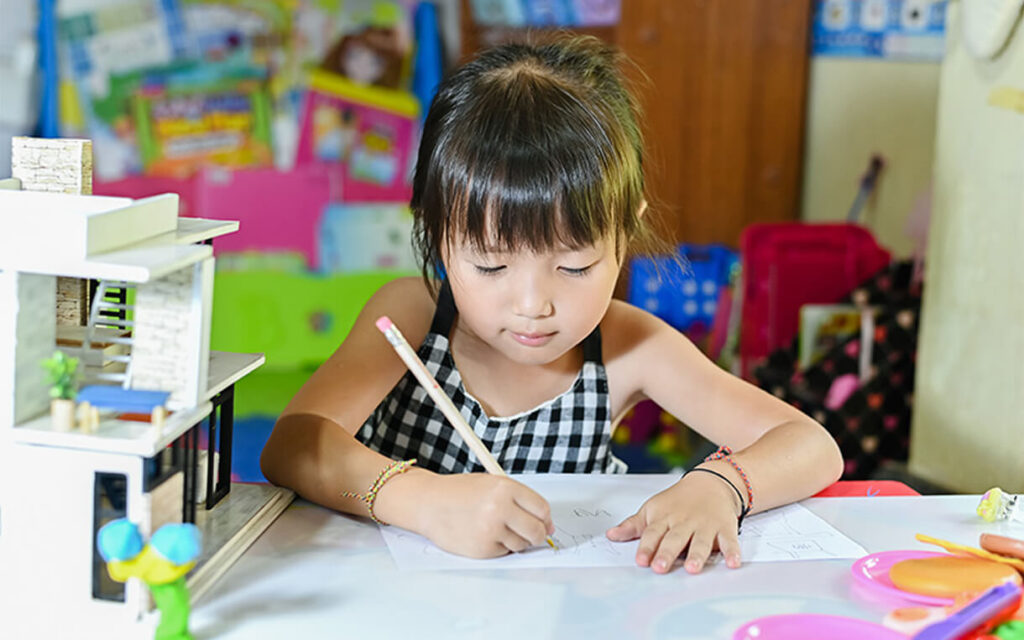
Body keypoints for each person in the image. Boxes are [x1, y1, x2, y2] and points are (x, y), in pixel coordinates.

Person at [261, 35, 843, 574]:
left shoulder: (631, 346)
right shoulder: (413, 314)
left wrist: (721, 484)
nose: (534, 304)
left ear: (625, 231)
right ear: (438, 238)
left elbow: (811, 445)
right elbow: (293, 443)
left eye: (574, 267)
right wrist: (422, 501)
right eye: (490, 266)